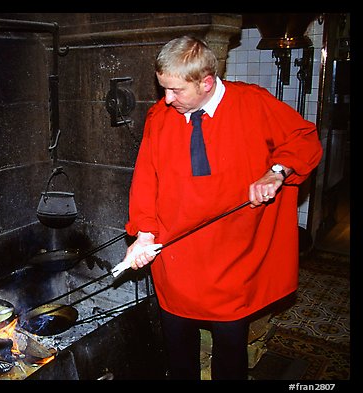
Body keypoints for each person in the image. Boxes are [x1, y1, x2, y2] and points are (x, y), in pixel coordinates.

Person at [123, 35, 323, 380]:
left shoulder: (252, 103)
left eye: (176, 91)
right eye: (163, 89)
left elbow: (304, 138)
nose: (167, 100)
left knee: (230, 348)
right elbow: (145, 180)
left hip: (234, 255)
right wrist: (143, 234)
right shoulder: (160, 117)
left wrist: (276, 173)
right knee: (178, 341)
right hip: (177, 254)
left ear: (206, 82)